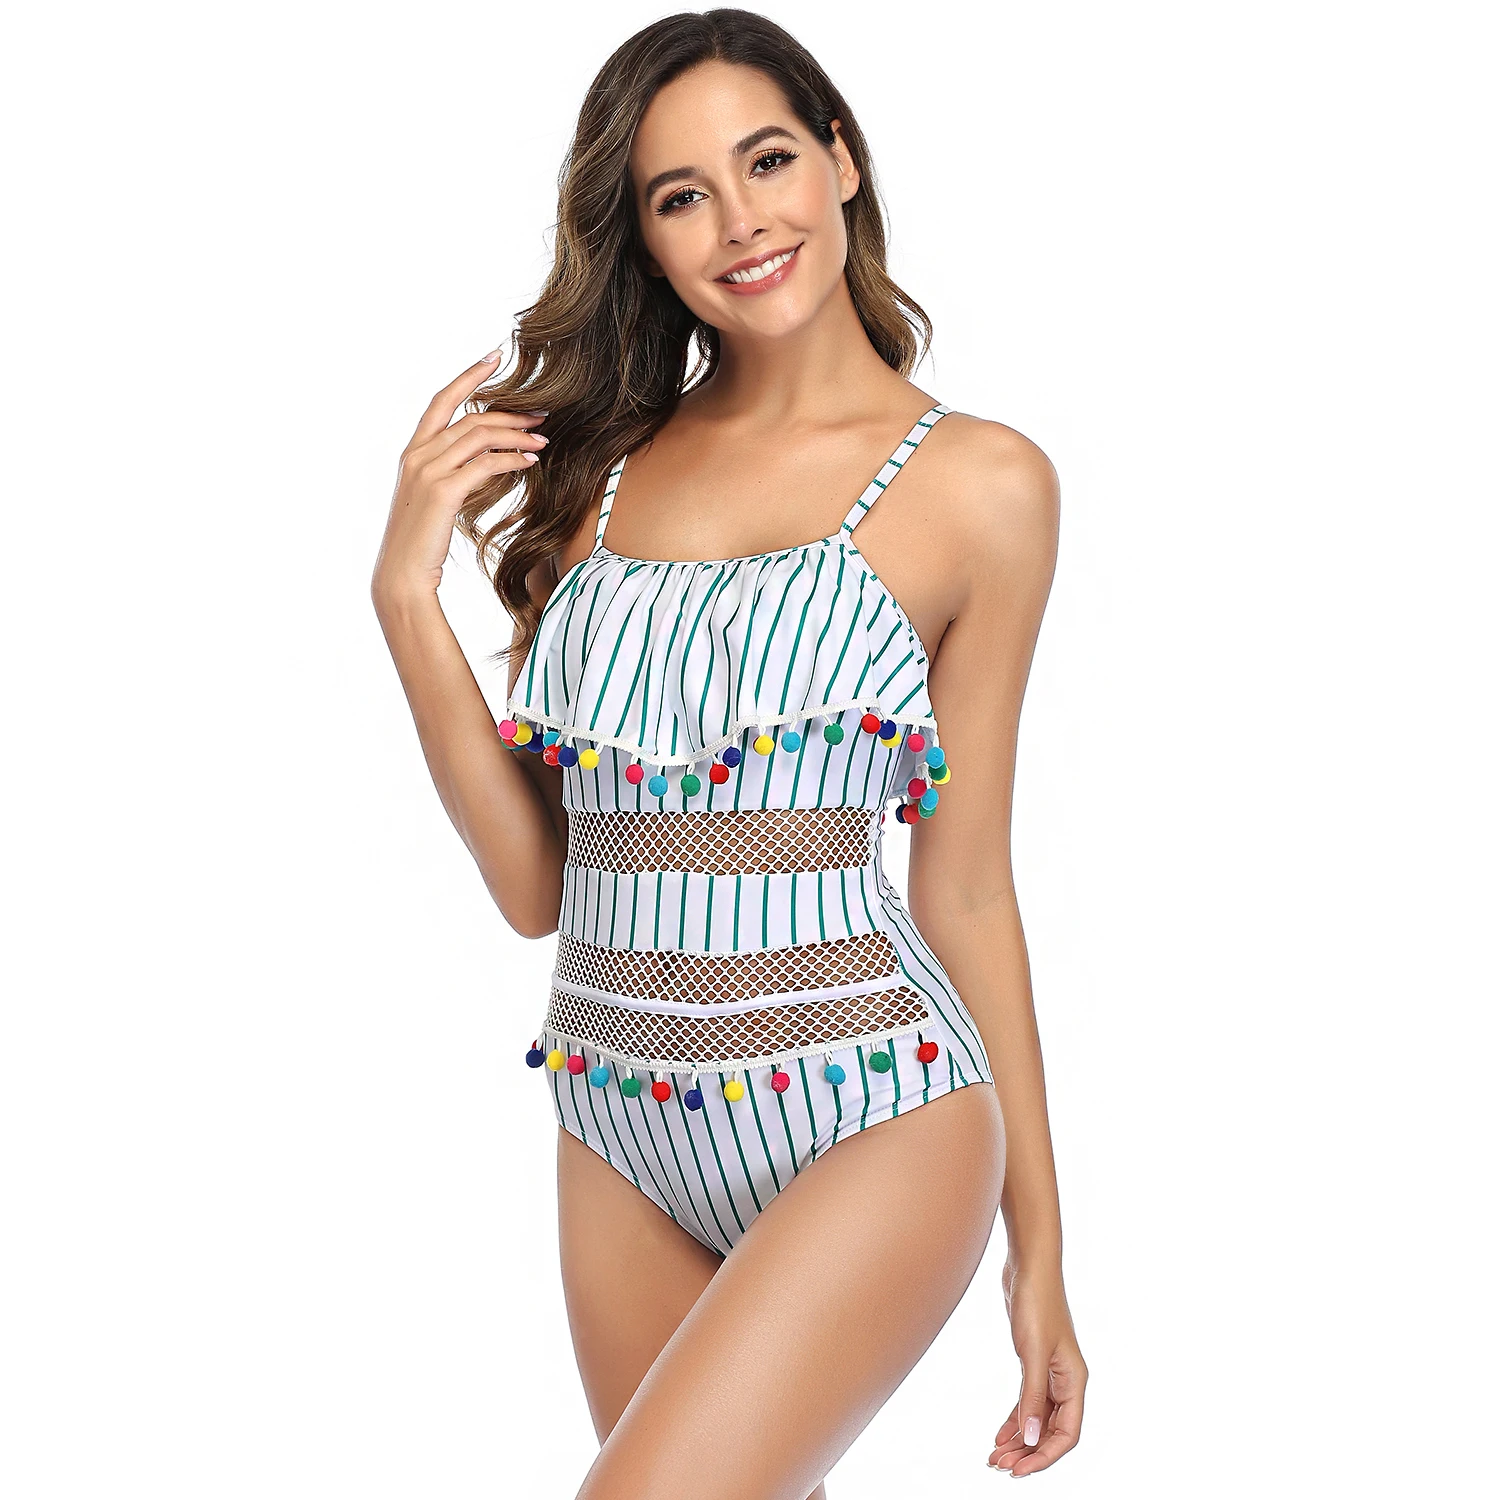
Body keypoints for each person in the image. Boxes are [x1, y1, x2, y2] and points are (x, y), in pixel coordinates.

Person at [372, 9, 1086, 1494]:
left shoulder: (983, 484)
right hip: (616, 1115)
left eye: (768, 162)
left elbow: (965, 889)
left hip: (875, 1103)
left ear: (841, 160)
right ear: (641, 237)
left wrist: (1041, 1250)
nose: (741, 221)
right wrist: (404, 601)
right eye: (681, 194)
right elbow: (539, 889)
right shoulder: (595, 476)